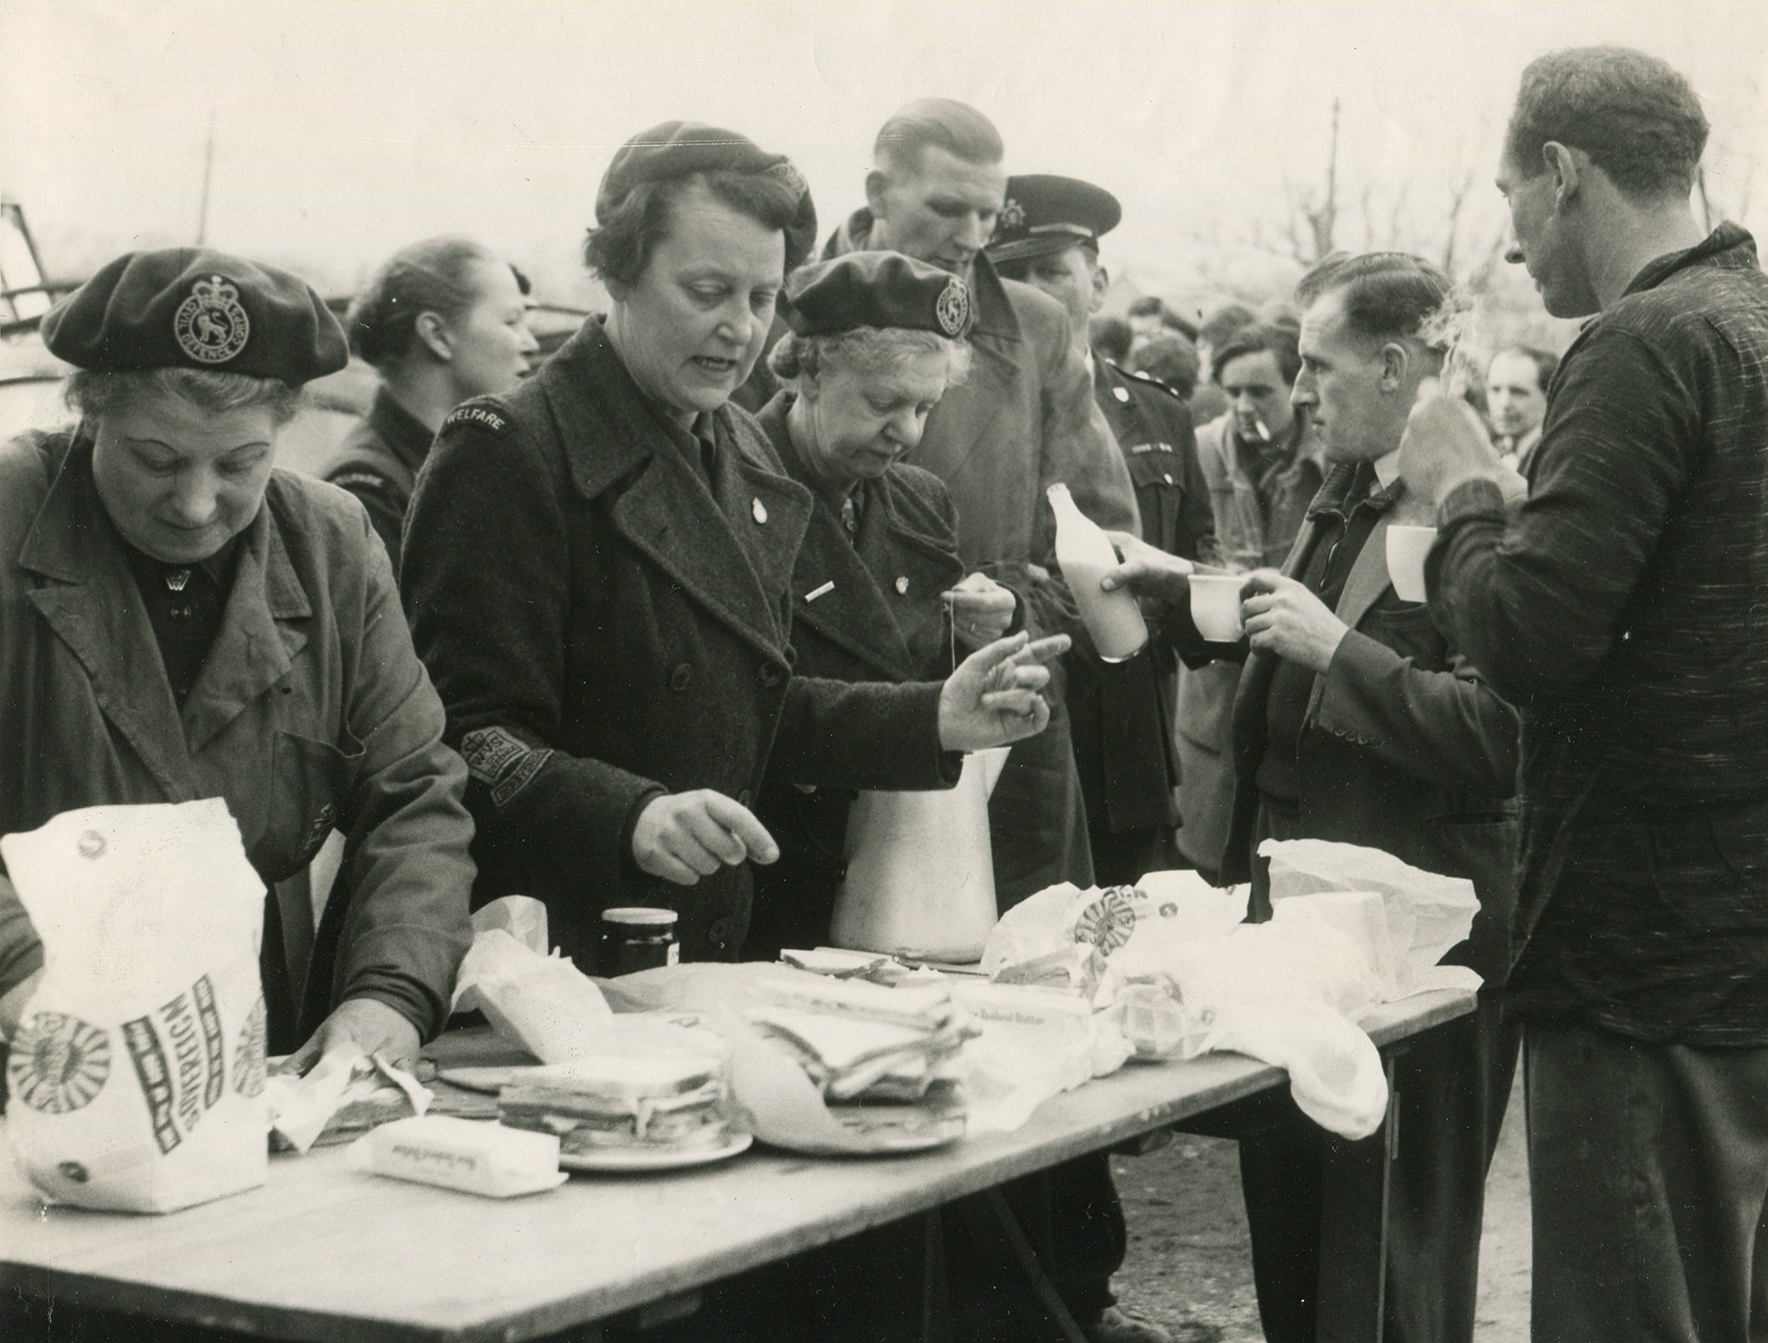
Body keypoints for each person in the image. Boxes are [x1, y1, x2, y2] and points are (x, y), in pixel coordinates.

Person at [400, 121, 1063, 980]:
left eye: (759, 298)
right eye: (707, 290)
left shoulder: (740, 450)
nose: (738, 330)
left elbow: (750, 708)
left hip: (705, 948)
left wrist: (934, 716)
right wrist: (630, 814)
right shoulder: (510, 449)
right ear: (618, 271)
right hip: (550, 958)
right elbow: (462, 737)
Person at [1396, 48, 1768, 1343]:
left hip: (1642, 956)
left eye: (1513, 198)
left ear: (1565, 173)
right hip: (1754, 936)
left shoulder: (1642, 341)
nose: (1512, 243)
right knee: (1738, 1337)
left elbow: (1527, 639)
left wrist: (1461, 493)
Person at [1109, 250, 1522, 1343]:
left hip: (1417, 940)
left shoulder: (1482, 508)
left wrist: (1339, 654)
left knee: (1396, 1251)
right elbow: (1297, 623)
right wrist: (1174, 582)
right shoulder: (1339, 485)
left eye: (1318, 366)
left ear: (1396, 366)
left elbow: (1501, 737)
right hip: (1297, 926)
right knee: (1296, 1238)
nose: (1299, 391)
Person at [0, 247, 477, 1073]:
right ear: (89, 415)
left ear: (283, 431)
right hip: (34, 1033)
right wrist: (20, 969)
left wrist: (390, 996)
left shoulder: (333, 545)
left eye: (239, 464)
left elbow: (417, 795)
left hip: (248, 1037)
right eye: (156, 459)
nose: (194, 504)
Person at [822, 97, 1140, 913]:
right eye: (945, 208)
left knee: (1025, 956)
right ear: (878, 192)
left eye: (986, 213)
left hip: (1005, 693)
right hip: (829, 699)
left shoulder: (1035, 327)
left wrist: (1017, 612)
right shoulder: (789, 304)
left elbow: (1101, 526)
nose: (971, 235)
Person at [741, 250, 1017, 958]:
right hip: (770, 887)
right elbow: (740, 701)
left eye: (925, 407)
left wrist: (972, 634)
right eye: (883, 403)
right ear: (807, 368)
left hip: (894, 888)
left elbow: (921, 674)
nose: (910, 433)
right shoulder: (731, 486)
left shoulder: (920, 501)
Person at [988, 171, 1211, 887]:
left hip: (1125, 744)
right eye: (1010, 274)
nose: (1034, 292)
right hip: (1017, 737)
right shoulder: (970, 411)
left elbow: (1193, 559)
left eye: (1052, 271)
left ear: (1098, 283)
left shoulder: (1159, 414)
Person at [1176, 321, 1326, 881]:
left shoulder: (1333, 460)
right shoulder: (1200, 450)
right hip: (1214, 690)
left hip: (1296, 681)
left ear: (1295, 388)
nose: (1242, 405)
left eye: (1260, 391)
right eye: (1232, 390)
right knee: (1208, 863)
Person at [324, 239, 538, 572]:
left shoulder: (466, 459)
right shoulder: (369, 491)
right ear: (437, 335)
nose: (531, 344)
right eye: (511, 322)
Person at [1482, 343, 1555, 480]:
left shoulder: (1549, 461)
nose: (1504, 403)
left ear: (1548, 397)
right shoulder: (1507, 453)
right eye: (1495, 390)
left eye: (1518, 392)